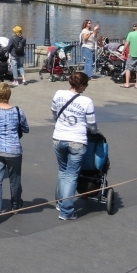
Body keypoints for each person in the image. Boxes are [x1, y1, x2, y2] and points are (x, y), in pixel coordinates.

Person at [51, 71, 97, 221]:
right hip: (76, 139)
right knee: (71, 175)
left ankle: (60, 202)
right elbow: (91, 124)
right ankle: (66, 210)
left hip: (58, 137)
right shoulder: (86, 101)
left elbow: (54, 112)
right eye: (86, 85)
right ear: (82, 85)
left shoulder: (58, 94)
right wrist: (95, 131)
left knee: (63, 171)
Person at [0, 83, 29, 223]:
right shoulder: (18, 111)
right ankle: (15, 204)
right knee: (15, 179)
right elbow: (26, 129)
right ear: (9, 95)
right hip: (14, 149)